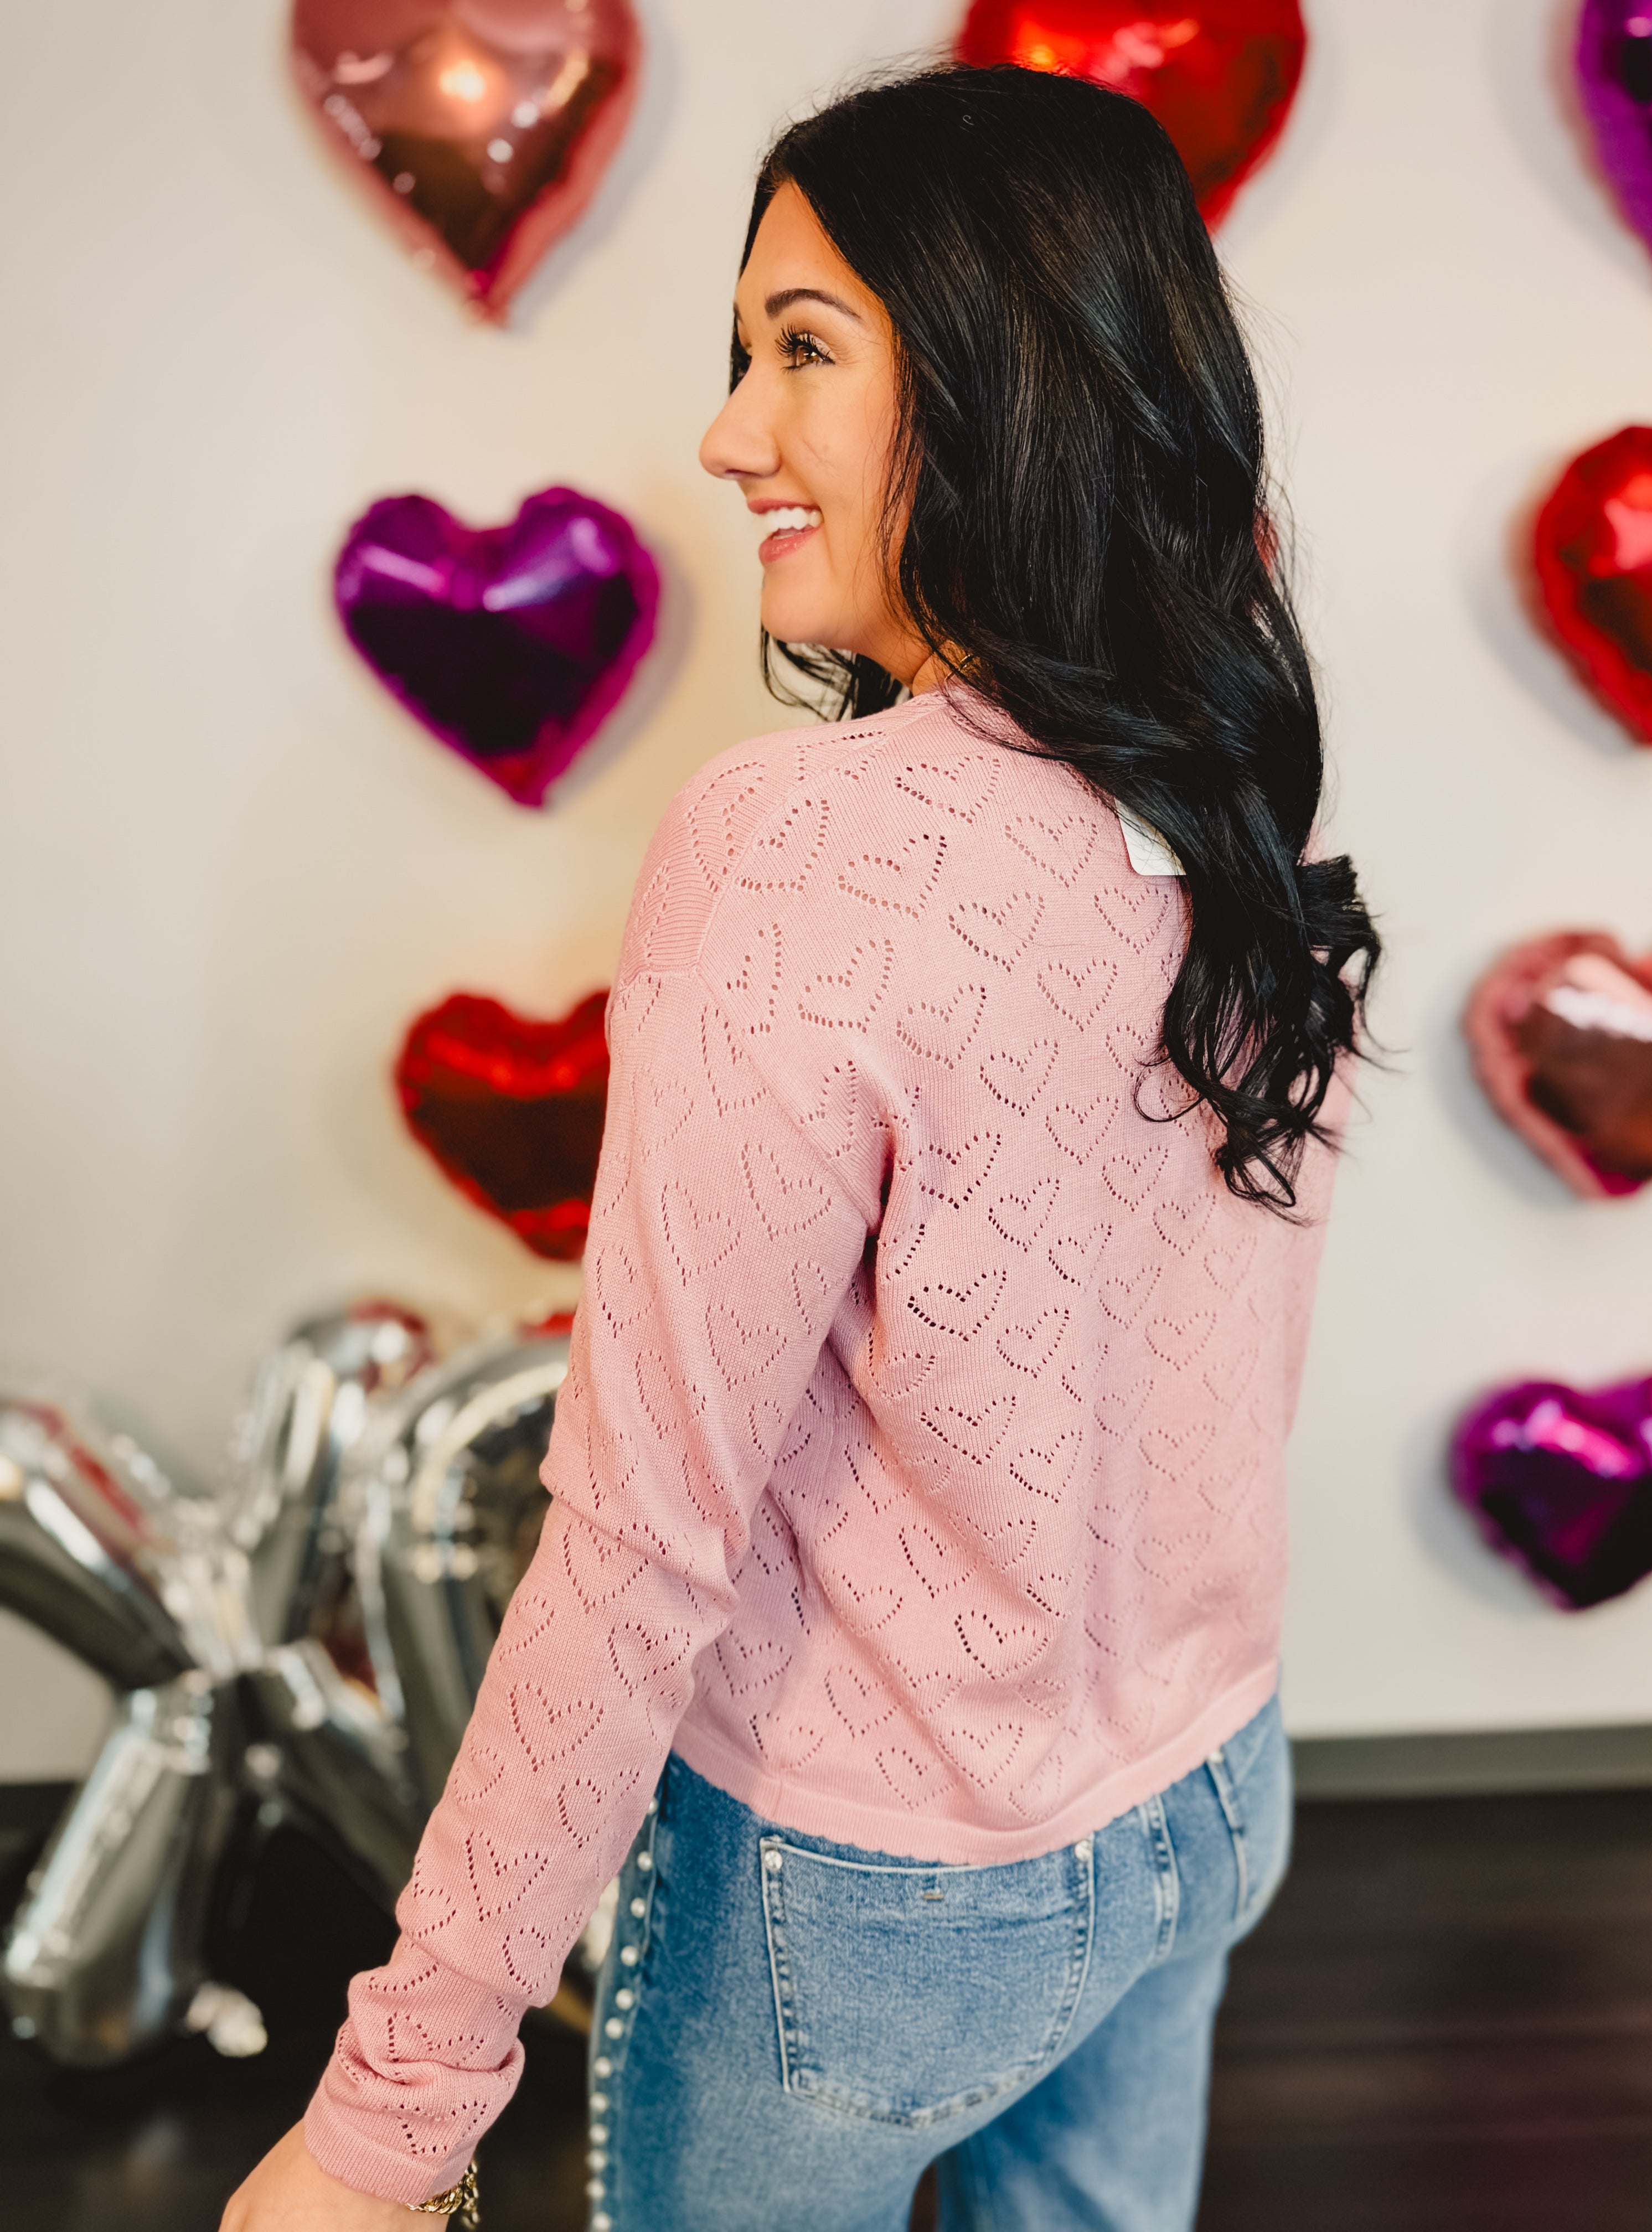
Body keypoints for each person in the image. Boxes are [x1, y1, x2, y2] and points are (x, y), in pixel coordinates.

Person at [223, 60, 1378, 2232]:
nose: (727, 434)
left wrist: (387, 2128)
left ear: (1004, 370)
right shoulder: (1227, 757)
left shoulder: (800, 845)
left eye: (803, 350)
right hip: (1212, 1797)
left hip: (869, 1901)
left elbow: (637, 1545)